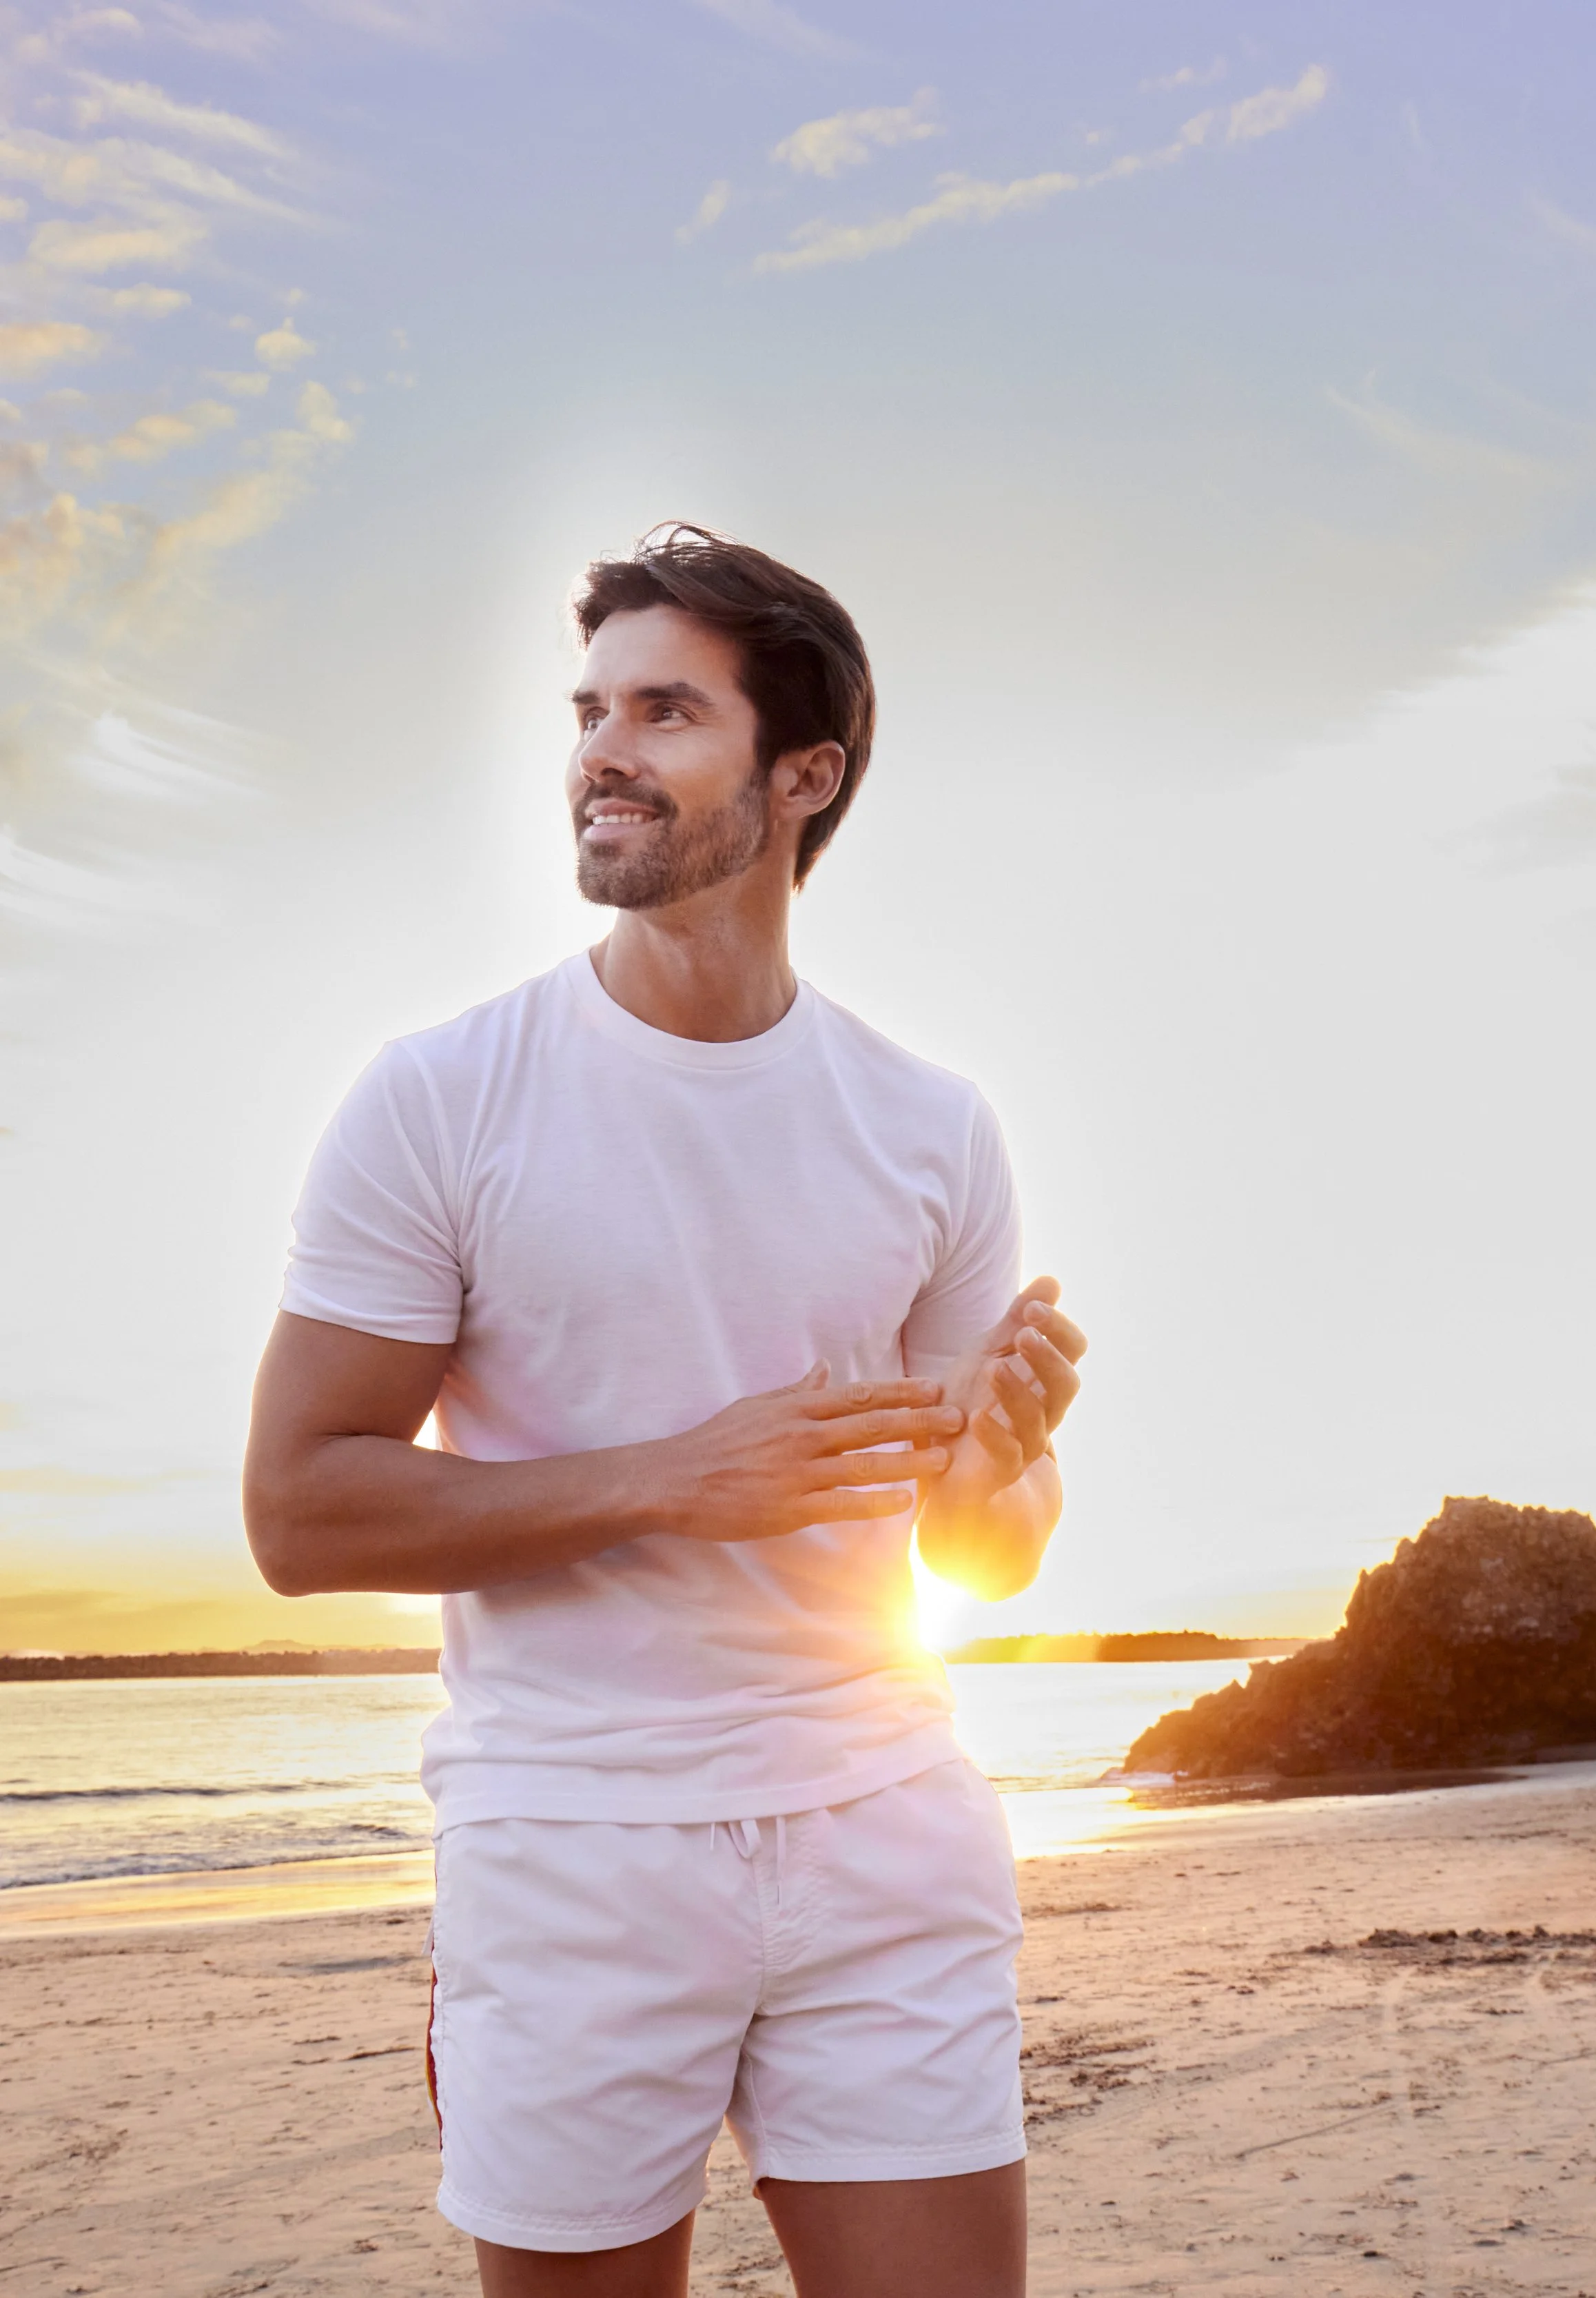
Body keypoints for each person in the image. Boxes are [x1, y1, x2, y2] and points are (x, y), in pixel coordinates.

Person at [243, 524, 1087, 2298]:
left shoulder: (929, 1125)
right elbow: (300, 1511)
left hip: (883, 1816)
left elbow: (981, 1558)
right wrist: (673, 1480)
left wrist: (997, 1465)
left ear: (803, 776)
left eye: (663, 710)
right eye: (588, 708)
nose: (599, 752)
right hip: (571, 1841)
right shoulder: (440, 1101)